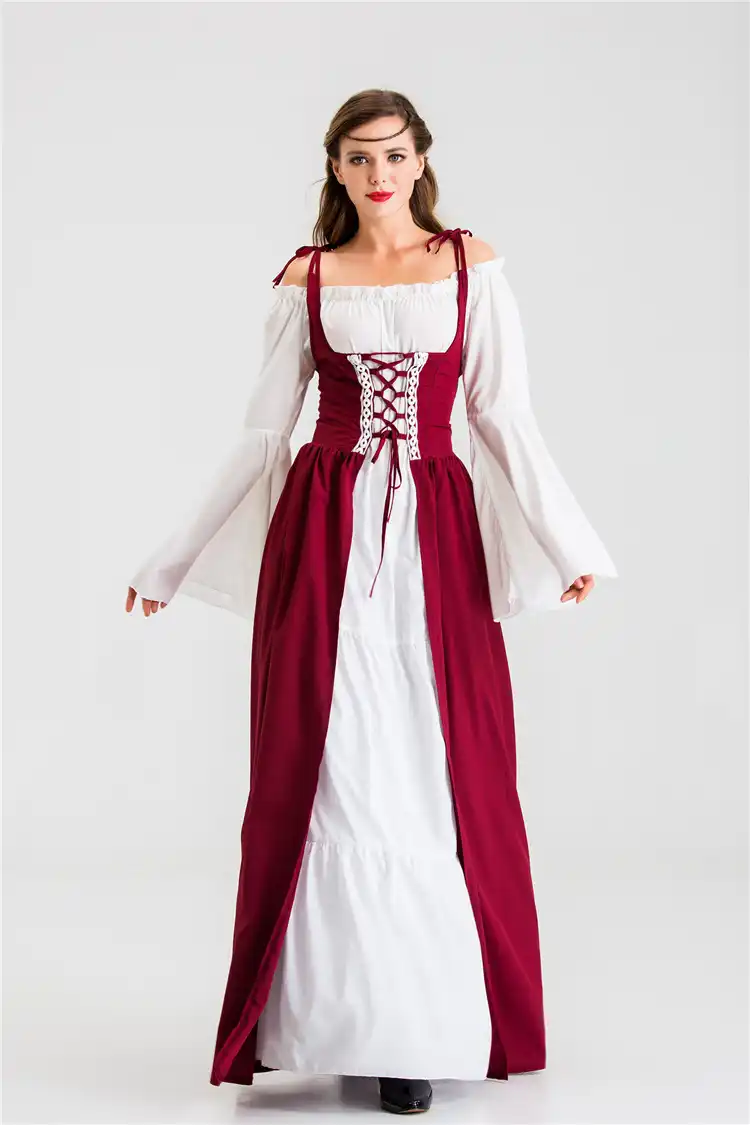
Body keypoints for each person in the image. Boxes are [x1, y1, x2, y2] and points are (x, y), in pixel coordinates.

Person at [125, 89, 618, 1117]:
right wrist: (169, 561)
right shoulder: (307, 280)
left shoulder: (470, 265)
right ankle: (342, 1021)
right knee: (335, 760)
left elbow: (502, 416)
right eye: (358, 157)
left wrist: (568, 541)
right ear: (336, 169)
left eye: (393, 154)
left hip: (437, 539)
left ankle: (420, 1028)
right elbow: (262, 435)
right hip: (324, 535)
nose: (378, 173)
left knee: (431, 764)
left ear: (421, 159)